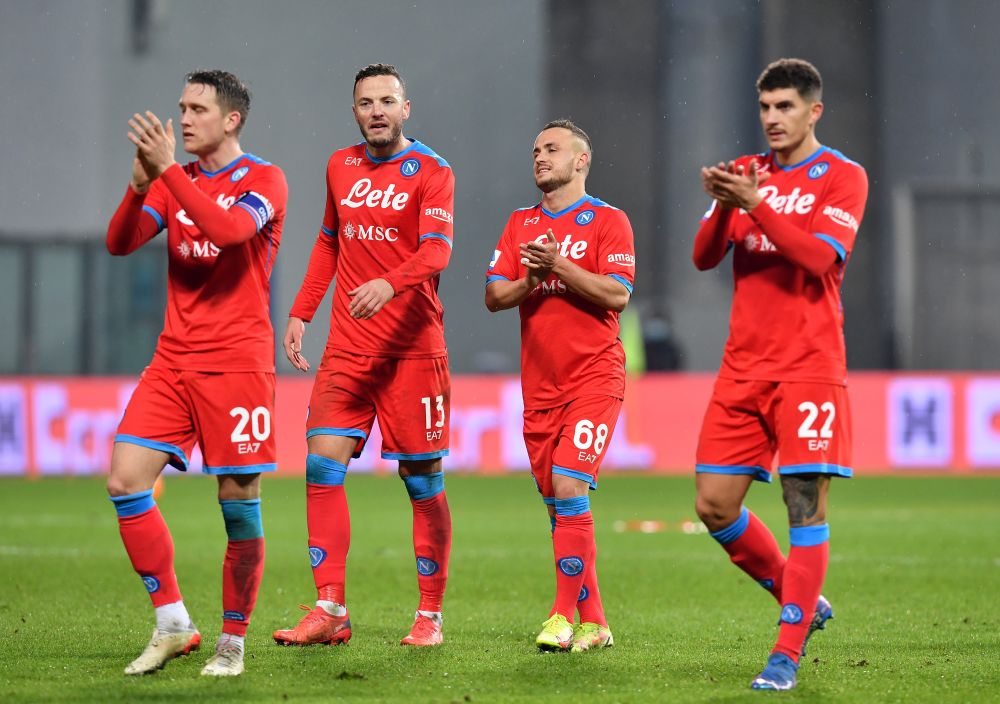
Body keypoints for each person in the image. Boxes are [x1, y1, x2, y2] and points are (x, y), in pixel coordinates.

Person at [692, 58, 868, 690]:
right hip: (742, 368)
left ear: (813, 111)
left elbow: (819, 258)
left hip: (808, 370)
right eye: (765, 107)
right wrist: (723, 206)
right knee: (713, 506)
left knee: (802, 507)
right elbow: (704, 257)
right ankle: (802, 600)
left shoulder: (842, 177)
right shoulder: (748, 173)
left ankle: (785, 654)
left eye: (785, 107)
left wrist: (757, 205)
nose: (772, 119)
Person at [104, 70, 287, 677]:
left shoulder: (264, 180)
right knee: (126, 479)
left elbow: (229, 230)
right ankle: (174, 622)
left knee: (237, 501)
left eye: (197, 109)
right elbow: (120, 243)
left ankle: (232, 641)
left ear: (231, 119)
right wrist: (137, 188)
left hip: (237, 364)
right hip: (174, 360)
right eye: (181, 107)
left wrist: (168, 175)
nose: (183, 119)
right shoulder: (170, 182)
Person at [273, 63, 454, 648]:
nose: (376, 110)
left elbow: (437, 253)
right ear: (354, 111)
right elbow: (330, 240)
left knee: (421, 478)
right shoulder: (339, 165)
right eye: (365, 102)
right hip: (348, 348)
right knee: (321, 464)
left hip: (411, 349)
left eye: (387, 101)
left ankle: (429, 615)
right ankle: (330, 609)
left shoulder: (433, 170)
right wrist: (302, 310)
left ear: (407, 108)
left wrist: (390, 283)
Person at [485, 120, 635, 652]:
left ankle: (559, 615)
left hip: (595, 376)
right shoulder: (519, 222)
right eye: (536, 150)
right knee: (558, 506)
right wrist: (531, 277)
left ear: (582, 160)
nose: (540, 157)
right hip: (540, 388)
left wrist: (558, 265)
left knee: (570, 486)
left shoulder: (608, 221)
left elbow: (616, 295)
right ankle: (595, 622)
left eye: (552, 149)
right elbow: (495, 296)